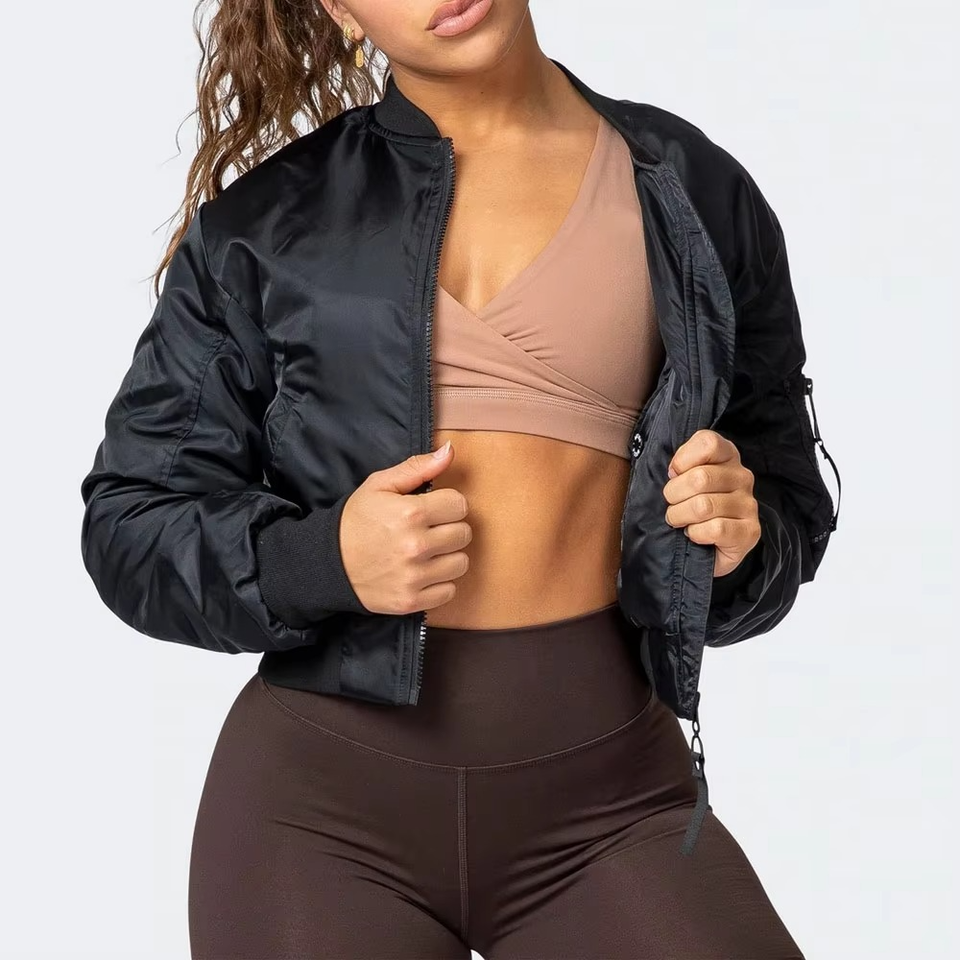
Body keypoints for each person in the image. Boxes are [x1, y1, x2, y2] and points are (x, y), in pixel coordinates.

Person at [79, 1, 841, 957]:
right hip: (320, 817)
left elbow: (785, 494)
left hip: (613, 802)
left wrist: (738, 537)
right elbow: (129, 520)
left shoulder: (688, 189)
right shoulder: (268, 226)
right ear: (340, 11)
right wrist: (320, 560)